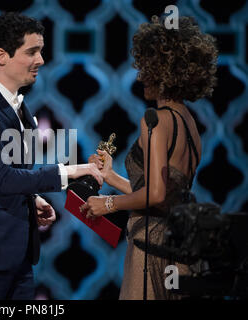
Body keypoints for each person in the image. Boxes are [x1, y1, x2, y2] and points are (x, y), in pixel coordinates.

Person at [0, 12, 103, 300]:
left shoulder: (16, 106)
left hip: (17, 256)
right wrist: (70, 171)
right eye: (32, 52)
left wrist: (31, 199)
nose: (41, 60)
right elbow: (3, 178)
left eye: (40, 51)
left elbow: (4, 175)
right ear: (2, 56)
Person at [83, 15, 218, 300]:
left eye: (146, 67)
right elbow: (163, 194)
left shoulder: (156, 120)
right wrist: (112, 178)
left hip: (152, 251)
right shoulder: (189, 123)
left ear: (163, 72)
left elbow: (155, 195)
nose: (141, 76)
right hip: (180, 248)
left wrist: (107, 204)